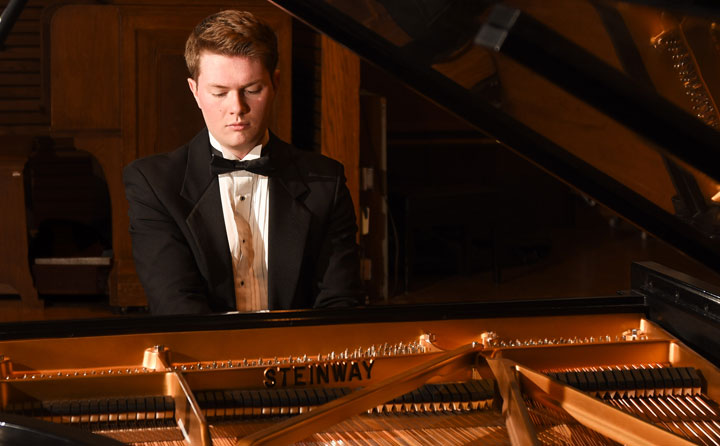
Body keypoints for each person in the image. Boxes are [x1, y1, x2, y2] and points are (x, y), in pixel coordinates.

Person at [123, 10, 363, 314]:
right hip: (203, 357)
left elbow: (338, 302)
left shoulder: (326, 181)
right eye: (219, 93)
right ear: (195, 92)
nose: (237, 108)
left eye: (251, 90)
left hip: (296, 357)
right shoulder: (153, 184)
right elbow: (176, 305)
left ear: (275, 83)